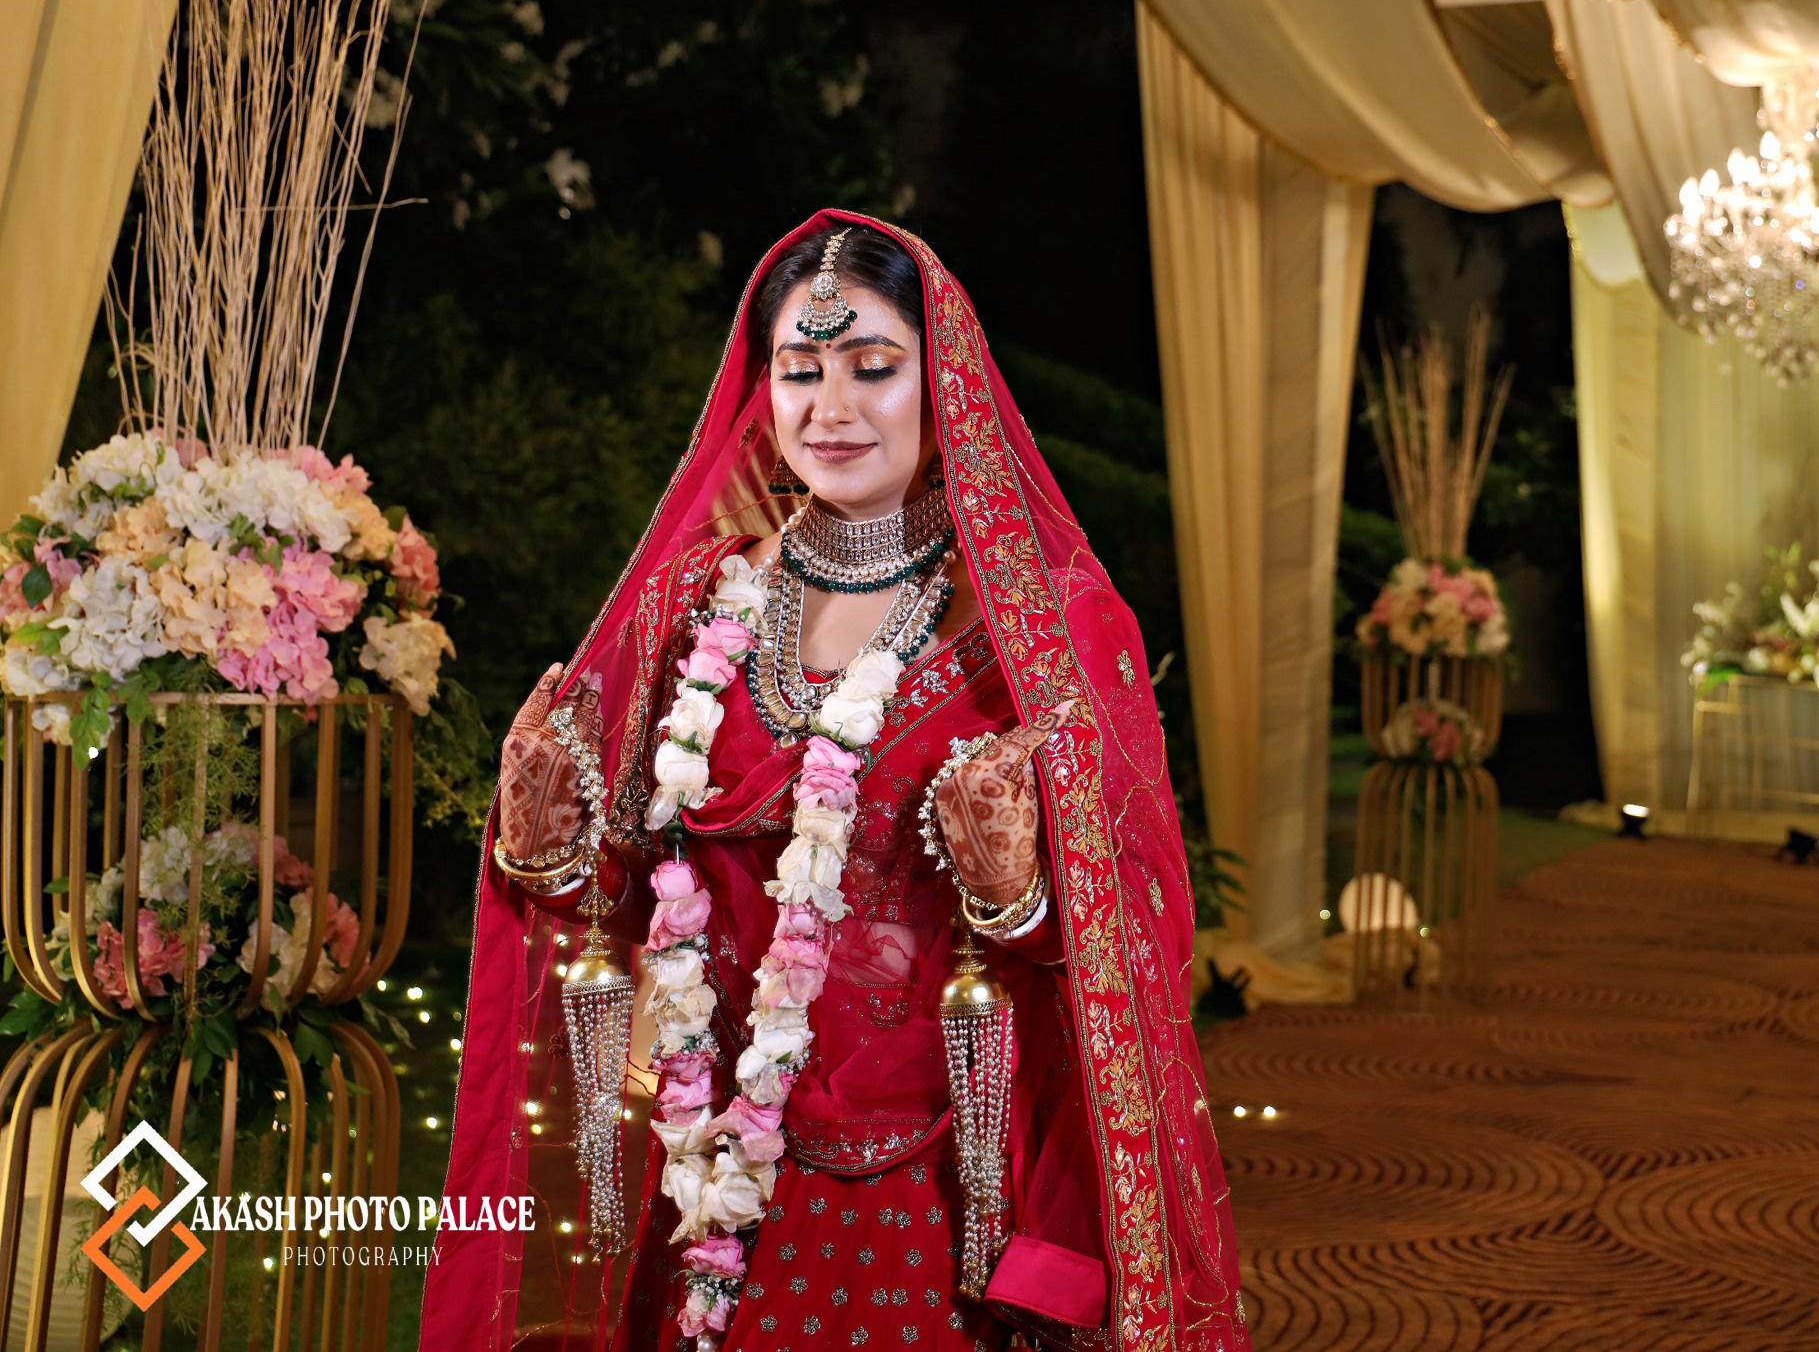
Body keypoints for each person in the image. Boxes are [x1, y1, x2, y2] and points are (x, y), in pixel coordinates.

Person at [421, 213, 1248, 1352]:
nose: (832, 408)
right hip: (713, 1179)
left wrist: (1017, 898)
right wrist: (544, 847)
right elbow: (629, 899)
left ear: (943, 385)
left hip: (932, 1191)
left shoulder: (1035, 630)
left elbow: (1136, 935)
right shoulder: (695, 604)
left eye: (873, 366)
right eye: (800, 371)